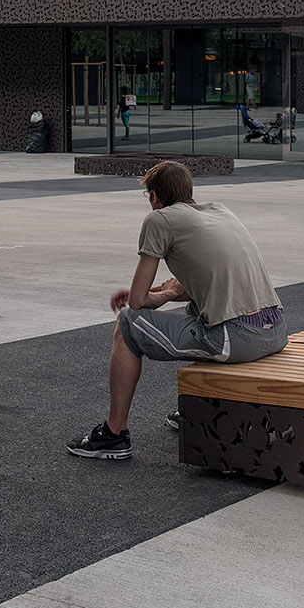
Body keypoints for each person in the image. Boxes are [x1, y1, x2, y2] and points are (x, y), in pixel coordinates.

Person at [67, 160, 286, 459]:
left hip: (237, 338)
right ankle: (201, 409)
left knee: (127, 325)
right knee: (197, 310)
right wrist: (164, 292)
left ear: (155, 198)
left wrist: (162, 293)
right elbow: (195, 287)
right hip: (275, 330)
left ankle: (115, 434)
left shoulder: (159, 221)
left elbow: (137, 304)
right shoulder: (220, 211)